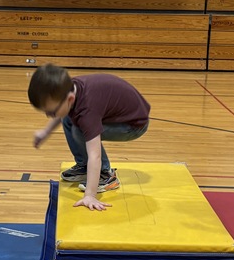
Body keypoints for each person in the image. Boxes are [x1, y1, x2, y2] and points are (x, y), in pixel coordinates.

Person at [29, 63, 150, 212]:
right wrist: (45, 132)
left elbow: (95, 155)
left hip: (133, 126)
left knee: (79, 130)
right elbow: (61, 111)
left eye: (51, 112)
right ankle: (83, 166)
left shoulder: (87, 110)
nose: (49, 115)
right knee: (67, 117)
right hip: (119, 113)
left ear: (70, 99)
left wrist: (90, 195)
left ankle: (105, 175)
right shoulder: (69, 89)